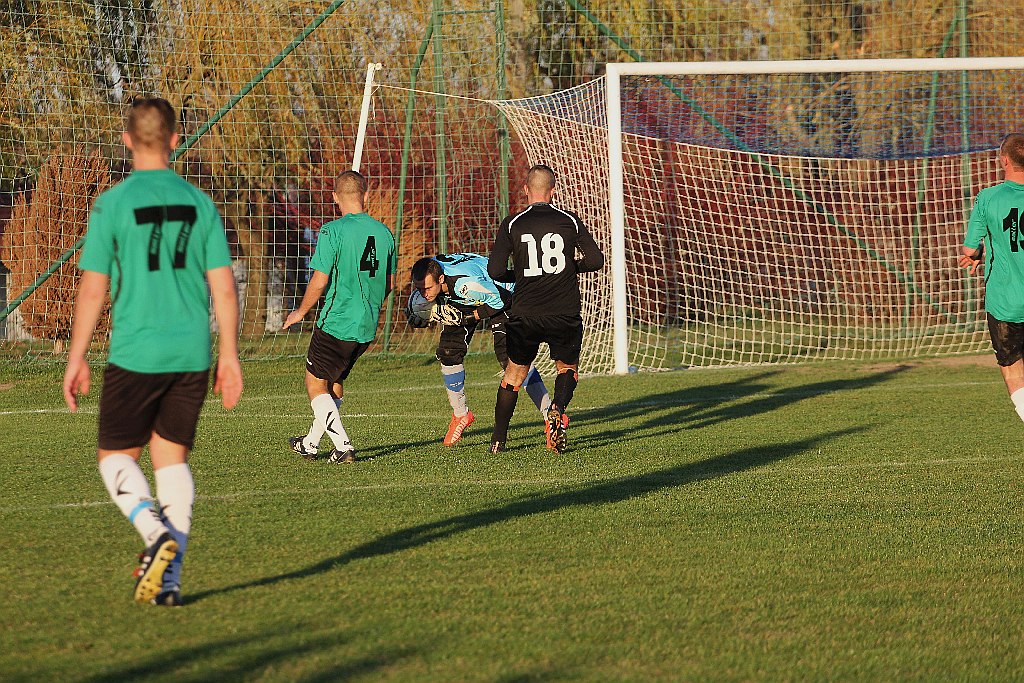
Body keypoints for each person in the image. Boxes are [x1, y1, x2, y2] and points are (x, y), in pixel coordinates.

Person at [62, 97, 243, 607]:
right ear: (173, 141)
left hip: (136, 352)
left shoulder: (113, 204)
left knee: (115, 457)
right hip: (191, 352)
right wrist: (228, 353)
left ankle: (151, 530)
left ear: (126, 141)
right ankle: (170, 581)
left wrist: (77, 356)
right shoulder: (199, 202)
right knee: (171, 461)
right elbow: (224, 288)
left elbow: (93, 289)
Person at [487, 164, 604, 454]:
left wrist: (523, 275)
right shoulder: (570, 221)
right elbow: (596, 260)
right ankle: (558, 408)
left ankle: (498, 442)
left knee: (514, 375)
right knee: (567, 368)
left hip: (525, 312)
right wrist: (570, 268)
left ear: (526, 190)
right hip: (563, 311)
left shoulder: (512, 223)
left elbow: (495, 270)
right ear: (553, 191)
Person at [283, 170, 395, 463]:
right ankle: (309, 443)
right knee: (333, 382)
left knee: (314, 384)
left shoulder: (332, 231)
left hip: (336, 322)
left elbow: (319, 281)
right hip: (366, 325)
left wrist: (300, 312)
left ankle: (344, 446)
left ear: (335, 197)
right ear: (366, 195)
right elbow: (389, 283)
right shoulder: (384, 233)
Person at [407, 253, 553, 446]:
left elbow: (503, 300)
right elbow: (426, 297)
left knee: (511, 361)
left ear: (440, 279)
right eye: (419, 289)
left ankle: (551, 417)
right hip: (468, 298)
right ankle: (461, 415)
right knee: (448, 353)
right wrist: (417, 312)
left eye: (427, 288)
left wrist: (470, 317)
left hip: (503, 294)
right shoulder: (431, 270)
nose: (423, 294)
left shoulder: (464, 284)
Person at [960, 132, 1024, 422]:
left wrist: (979, 252)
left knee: (1012, 366)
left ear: (1004, 160)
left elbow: (970, 249)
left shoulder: (987, 198)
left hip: (1006, 302)